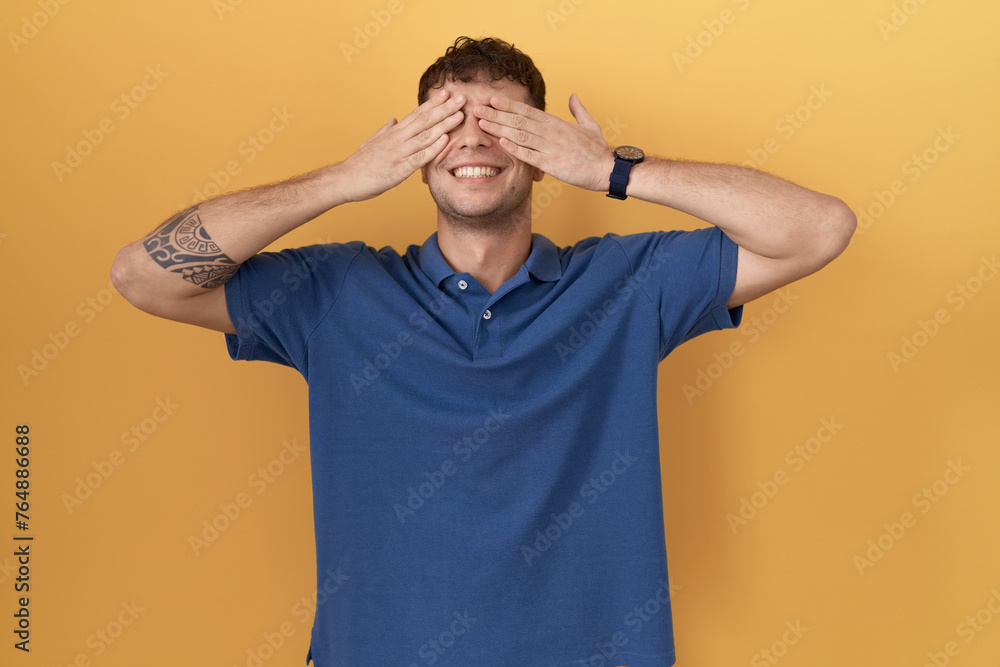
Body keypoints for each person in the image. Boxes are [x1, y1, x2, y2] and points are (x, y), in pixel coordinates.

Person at [111, 36, 855, 667]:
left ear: (542, 153)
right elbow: (141, 276)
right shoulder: (335, 291)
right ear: (413, 149)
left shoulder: (627, 282)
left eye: (502, 119)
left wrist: (612, 170)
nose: (472, 139)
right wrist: (344, 179)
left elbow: (821, 228)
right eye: (447, 121)